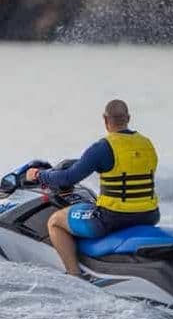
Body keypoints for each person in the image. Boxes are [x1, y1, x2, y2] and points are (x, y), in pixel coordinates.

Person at [26, 100, 160, 276]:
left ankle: (74, 273)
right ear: (128, 118)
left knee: (55, 222)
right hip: (149, 215)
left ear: (105, 120)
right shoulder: (147, 144)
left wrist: (38, 175)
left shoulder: (103, 148)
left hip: (113, 218)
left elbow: (68, 177)